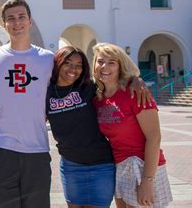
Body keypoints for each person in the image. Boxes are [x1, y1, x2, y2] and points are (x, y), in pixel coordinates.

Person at [46, 46, 151, 208]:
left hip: (101, 165)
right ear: (58, 63)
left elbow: (120, 74)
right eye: (67, 63)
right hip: (71, 166)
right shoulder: (46, 93)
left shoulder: (90, 87)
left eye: (79, 64)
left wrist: (136, 78)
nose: (73, 69)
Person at [0, 0, 54, 208]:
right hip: (3, 149)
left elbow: (71, 83)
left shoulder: (47, 59)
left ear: (30, 21)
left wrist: (132, 79)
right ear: (4, 24)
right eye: (11, 18)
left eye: (21, 17)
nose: (16, 22)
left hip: (37, 149)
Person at [92, 43, 173, 208]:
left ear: (120, 66)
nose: (104, 67)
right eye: (100, 61)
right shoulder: (97, 99)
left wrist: (147, 181)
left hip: (144, 166)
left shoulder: (135, 92)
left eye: (111, 62)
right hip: (120, 167)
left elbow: (154, 138)